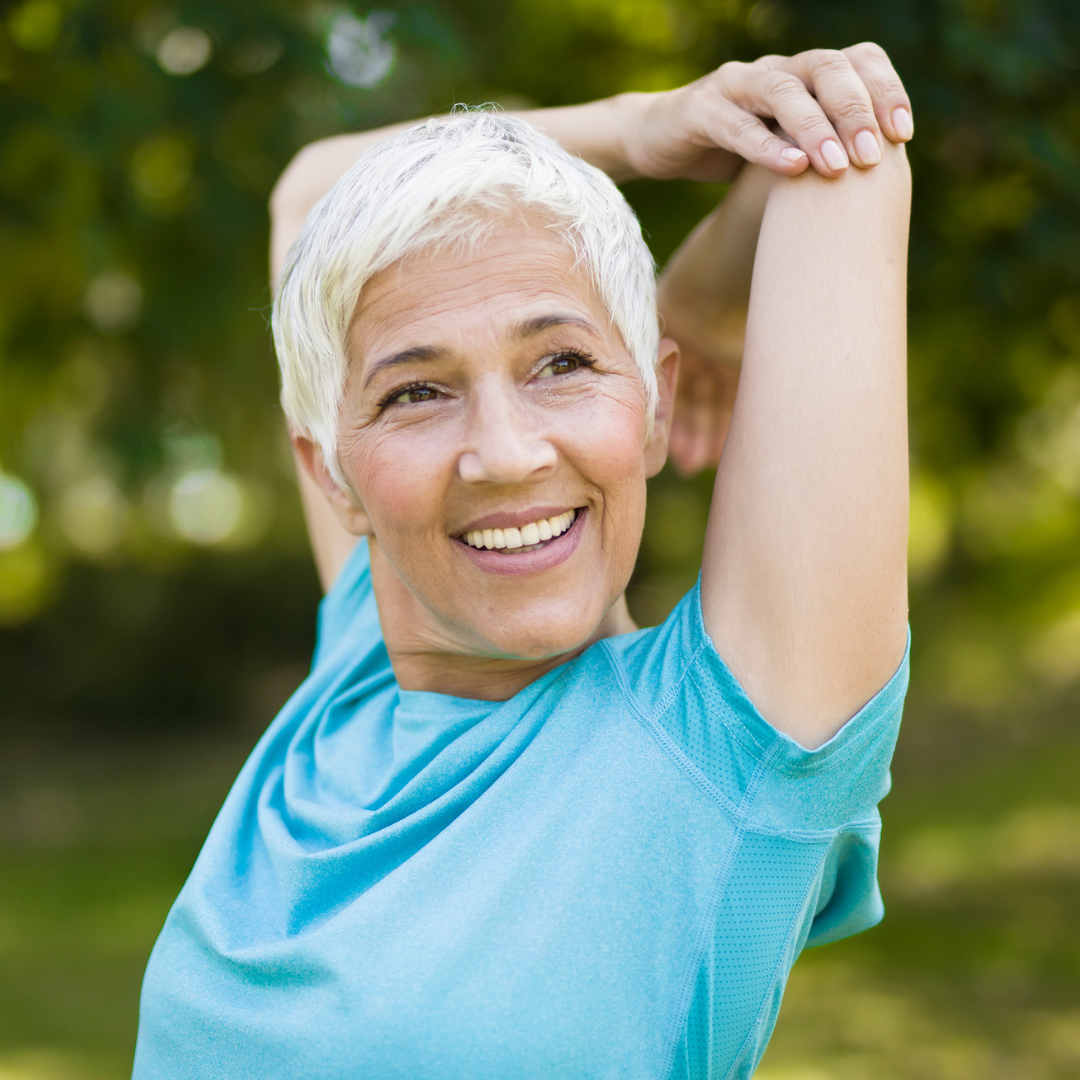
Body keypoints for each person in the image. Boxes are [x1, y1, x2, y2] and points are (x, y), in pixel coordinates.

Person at [132, 44, 913, 1080]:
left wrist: (706, 297)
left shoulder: (729, 746)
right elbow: (315, 190)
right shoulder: (367, 650)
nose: (504, 453)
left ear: (655, 403)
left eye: (564, 363)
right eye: (416, 391)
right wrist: (642, 127)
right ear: (334, 475)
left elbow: (838, 154)